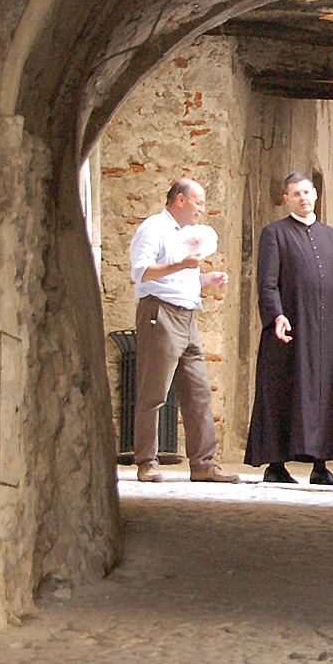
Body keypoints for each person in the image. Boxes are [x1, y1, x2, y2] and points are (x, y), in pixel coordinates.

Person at [245, 173, 333, 484]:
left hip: (326, 332)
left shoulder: (332, 237)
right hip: (290, 328)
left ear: (316, 195)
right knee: (283, 391)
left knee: (325, 394)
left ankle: (320, 467)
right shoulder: (275, 233)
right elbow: (267, 284)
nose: (302, 198)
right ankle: (276, 465)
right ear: (286, 199)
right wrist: (276, 316)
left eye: (307, 192)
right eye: (295, 193)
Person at [128, 177, 241, 483]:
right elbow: (141, 272)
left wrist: (206, 279)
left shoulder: (187, 234)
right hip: (160, 313)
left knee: (198, 391)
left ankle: (203, 462)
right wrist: (182, 266)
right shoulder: (153, 228)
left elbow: (181, 274)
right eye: (198, 202)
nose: (201, 210)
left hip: (187, 316)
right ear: (180, 200)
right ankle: (147, 461)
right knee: (154, 391)